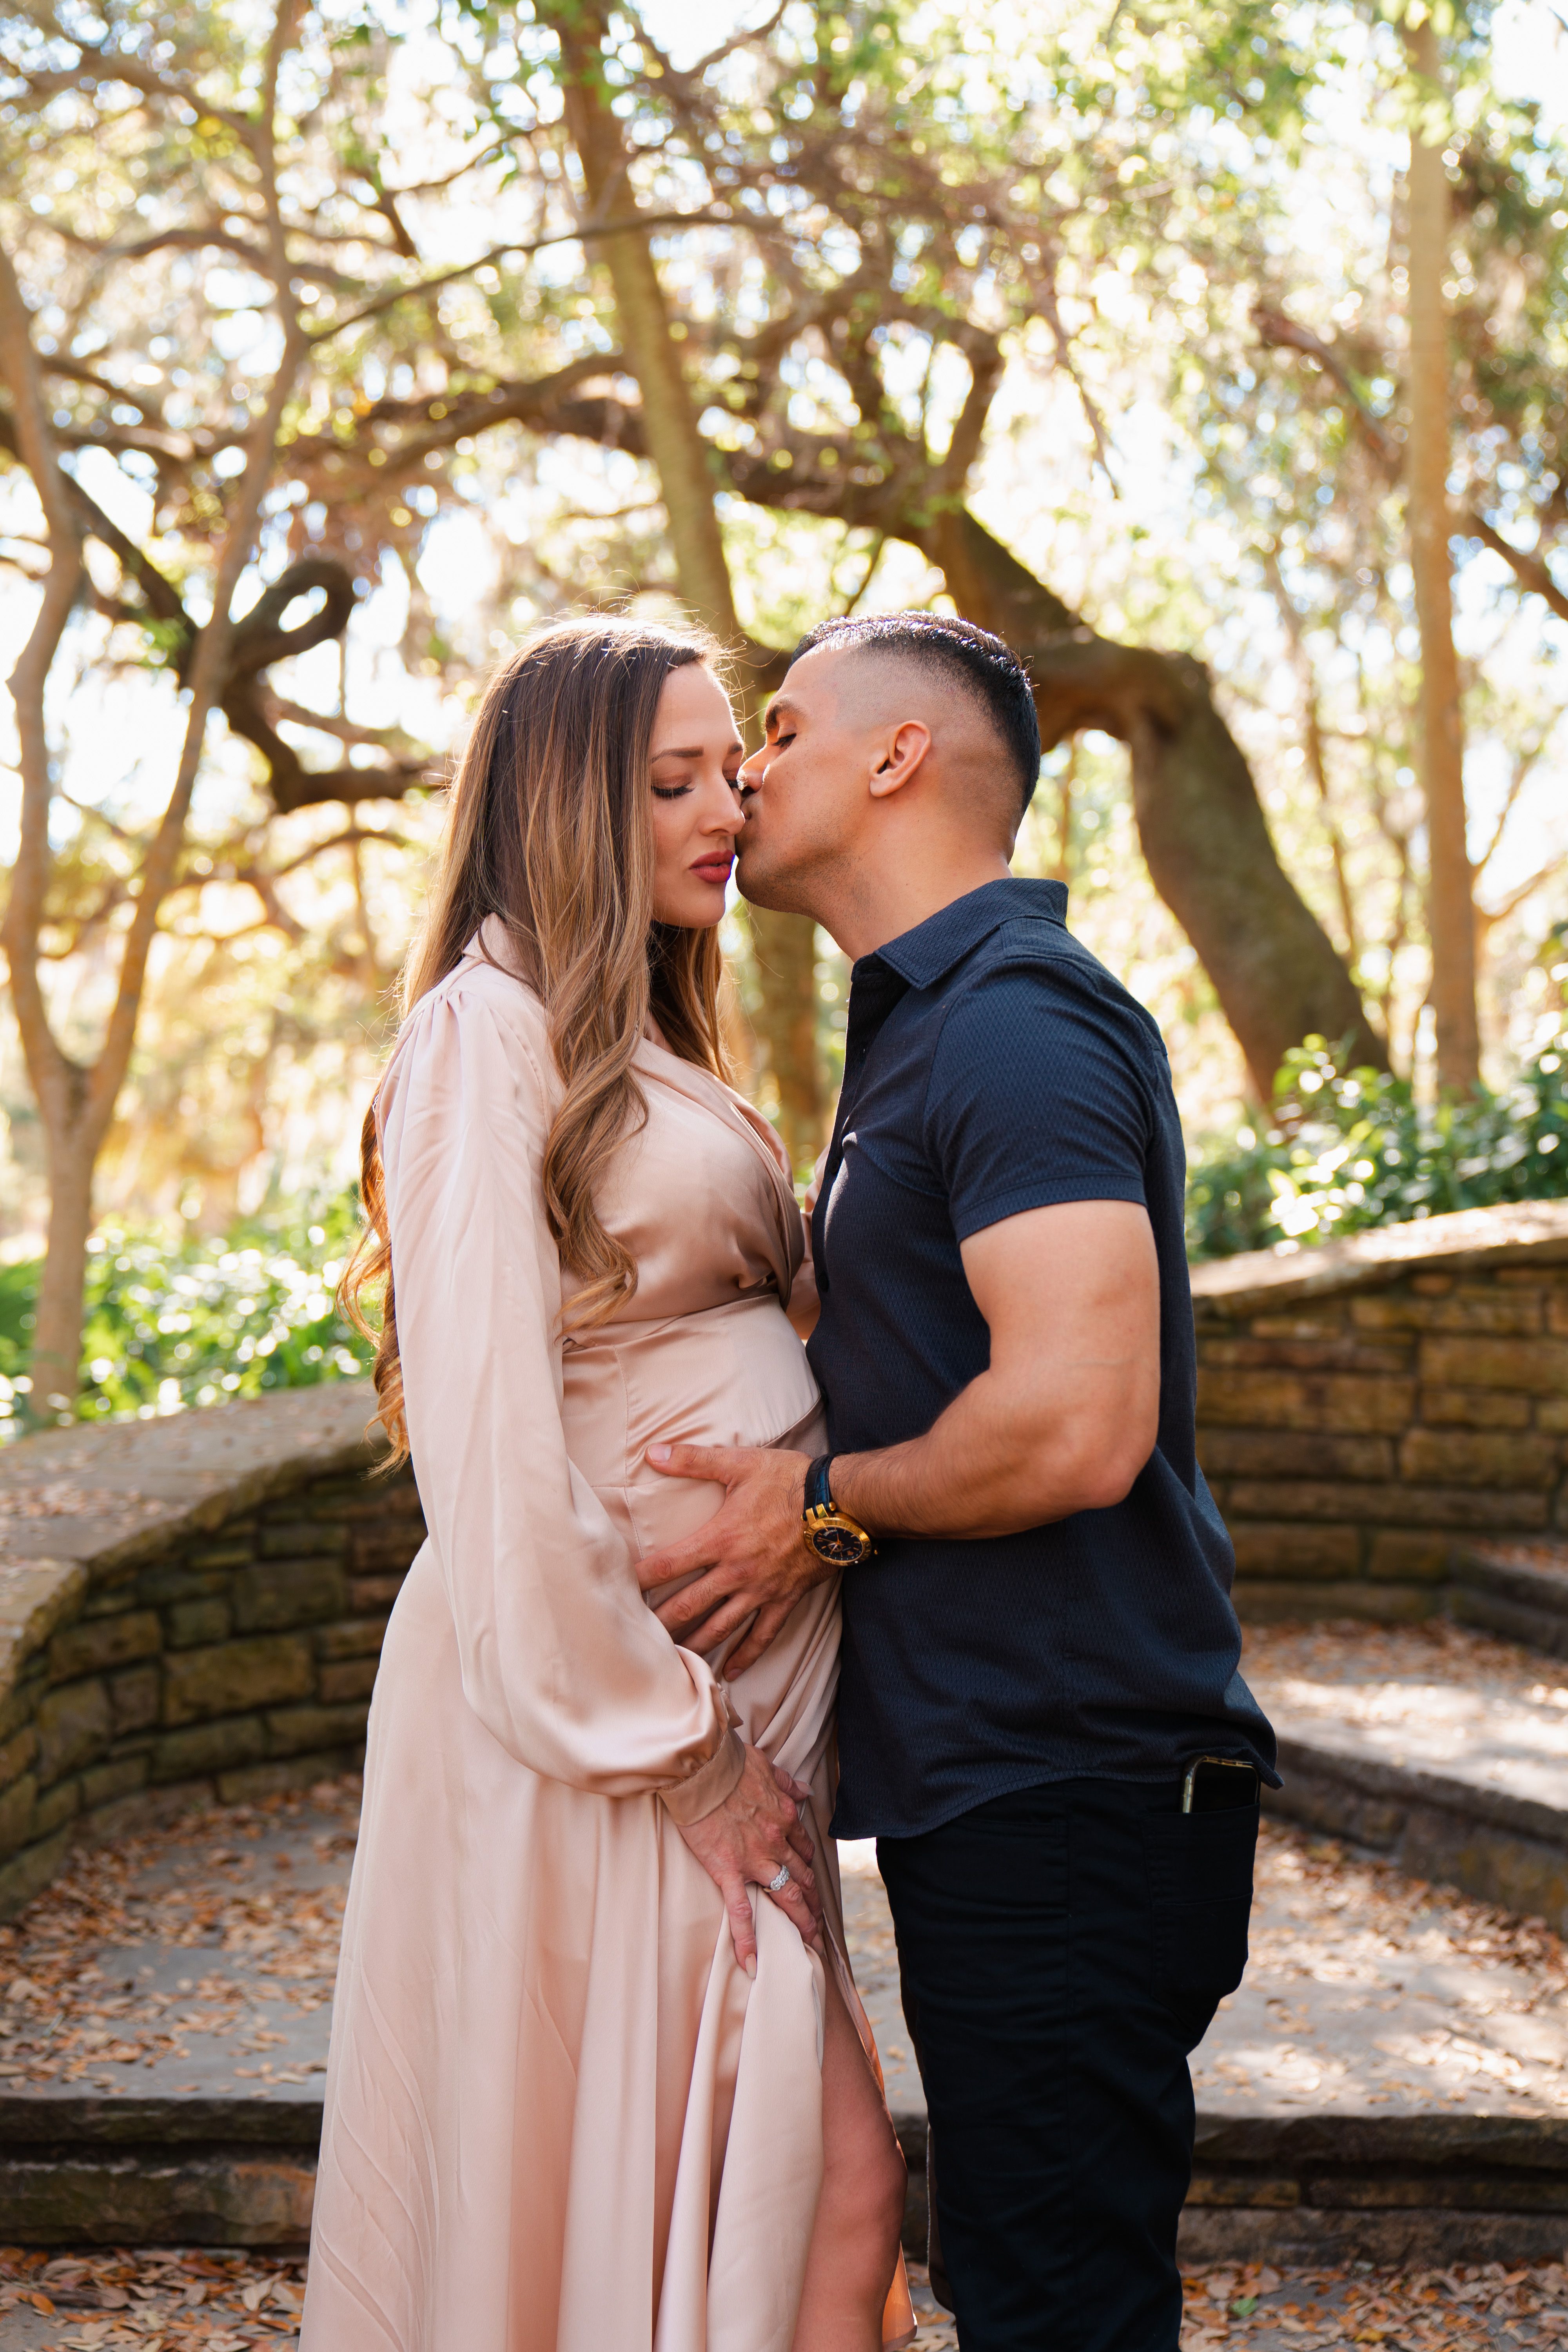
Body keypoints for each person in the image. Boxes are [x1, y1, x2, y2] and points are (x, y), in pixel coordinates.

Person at [633, 612, 1280, 2352]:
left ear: (898, 757)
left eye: (781, 729)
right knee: (1030, 2288)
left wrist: (814, 1511)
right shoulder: (926, 1029)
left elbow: (1076, 1421)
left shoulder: (1014, 1025)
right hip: (1013, 1789)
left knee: (1051, 2311)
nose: (746, 770)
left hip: (1074, 1788)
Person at [300, 616, 911, 2352]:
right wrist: (684, 1753)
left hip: (710, 1717)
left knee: (782, 2198)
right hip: (608, 1734)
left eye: (730, 770)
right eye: (671, 781)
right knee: (817, 2187)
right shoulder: (481, 1037)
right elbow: (492, 1450)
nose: (728, 807)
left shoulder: (638, 1041)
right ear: (567, 800)